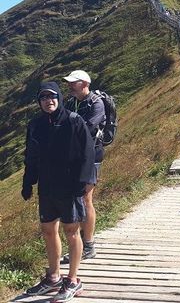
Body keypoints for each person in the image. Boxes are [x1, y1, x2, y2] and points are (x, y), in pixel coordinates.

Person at [22, 82, 95, 301]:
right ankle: (53, 276)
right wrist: (28, 182)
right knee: (47, 230)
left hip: (69, 186)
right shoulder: (35, 125)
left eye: (52, 96)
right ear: (39, 102)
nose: (48, 101)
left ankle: (73, 280)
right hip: (47, 187)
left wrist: (81, 182)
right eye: (43, 97)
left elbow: (88, 153)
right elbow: (31, 156)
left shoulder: (73, 121)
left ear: (59, 98)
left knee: (71, 231)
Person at [60, 70, 106, 264]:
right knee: (77, 198)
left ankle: (88, 246)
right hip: (74, 157)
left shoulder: (96, 103)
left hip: (91, 156)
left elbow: (86, 130)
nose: (70, 85)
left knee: (86, 199)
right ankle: (79, 245)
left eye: (74, 82)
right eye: (70, 82)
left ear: (85, 83)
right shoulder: (71, 102)